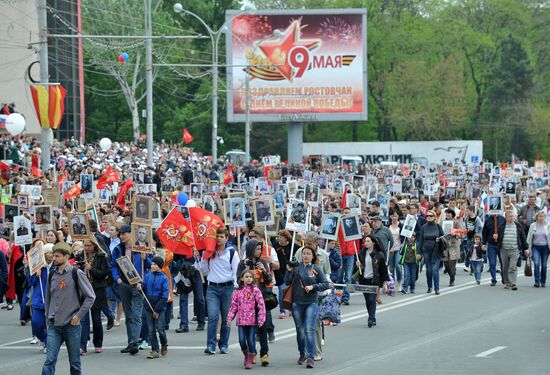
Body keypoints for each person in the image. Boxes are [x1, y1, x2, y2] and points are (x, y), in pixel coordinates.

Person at [42, 242, 96, 375]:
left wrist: (79, 316)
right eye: (53, 256)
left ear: (66, 257)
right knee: (49, 360)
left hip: (71, 325)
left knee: (75, 363)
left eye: (57, 256)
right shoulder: (51, 274)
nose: (53, 259)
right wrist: (48, 315)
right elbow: (49, 297)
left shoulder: (76, 273)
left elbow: (91, 297)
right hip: (54, 324)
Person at [194, 228, 240, 355]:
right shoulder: (209, 252)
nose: (219, 239)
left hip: (228, 288)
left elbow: (236, 271)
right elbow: (202, 268)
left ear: (226, 238)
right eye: (217, 237)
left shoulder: (231, 253)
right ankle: (211, 345)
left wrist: (236, 289)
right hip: (212, 288)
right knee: (213, 316)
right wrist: (198, 257)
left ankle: (224, 344)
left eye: (221, 236)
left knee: (226, 318)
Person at [284, 245, 329, 368]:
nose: (306, 256)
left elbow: (326, 284)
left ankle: (310, 357)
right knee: (300, 331)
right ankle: (302, 353)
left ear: (313, 256)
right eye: (304, 253)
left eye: (309, 253)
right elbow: (287, 282)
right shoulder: (296, 267)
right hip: (296, 303)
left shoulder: (316, 268)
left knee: (309, 330)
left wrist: (313, 287)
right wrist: (288, 270)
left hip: (311, 302)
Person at [111, 225, 152, 355]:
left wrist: (146, 259)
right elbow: (113, 265)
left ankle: (134, 342)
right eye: (120, 235)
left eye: (124, 234)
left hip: (138, 284)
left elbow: (152, 265)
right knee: (128, 315)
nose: (122, 236)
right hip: (124, 283)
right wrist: (117, 278)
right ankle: (131, 342)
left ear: (130, 234)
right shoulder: (118, 249)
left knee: (136, 314)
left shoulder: (141, 247)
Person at [236, 239, 272, 366]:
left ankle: (264, 354)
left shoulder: (262, 262)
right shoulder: (243, 264)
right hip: (247, 303)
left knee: (263, 328)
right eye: (257, 249)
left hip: (261, 300)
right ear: (251, 249)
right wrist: (246, 269)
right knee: (249, 331)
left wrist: (264, 270)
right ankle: (252, 352)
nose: (259, 251)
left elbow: (268, 281)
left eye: (260, 249)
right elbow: (238, 281)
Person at [227, 269, 266, 369]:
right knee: (241, 340)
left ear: (253, 279)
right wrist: (230, 317)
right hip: (241, 321)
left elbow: (261, 305)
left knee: (251, 340)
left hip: (252, 321)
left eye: (250, 277)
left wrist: (261, 319)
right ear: (242, 278)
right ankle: (246, 355)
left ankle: (250, 358)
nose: (248, 279)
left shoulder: (256, 290)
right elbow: (234, 306)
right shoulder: (237, 291)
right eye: (246, 277)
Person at [79, 239, 111, 355]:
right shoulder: (80, 255)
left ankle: (98, 343)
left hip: (97, 290)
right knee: (83, 320)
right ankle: (82, 345)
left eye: (89, 245)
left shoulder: (101, 257)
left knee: (96, 319)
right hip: (83, 290)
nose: (87, 248)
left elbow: (103, 274)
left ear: (95, 246)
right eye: (85, 245)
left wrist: (91, 269)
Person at [137, 256, 169, 359]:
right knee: (151, 330)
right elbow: (144, 288)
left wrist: (157, 310)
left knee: (160, 329)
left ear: (159, 266)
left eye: (155, 264)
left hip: (159, 306)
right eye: (152, 264)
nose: (152, 266)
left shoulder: (164, 278)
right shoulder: (147, 276)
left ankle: (164, 343)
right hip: (148, 306)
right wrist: (140, 287)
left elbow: (164, 296)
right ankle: (154, 350)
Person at [25, 243, 54, 354]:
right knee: (37, 323)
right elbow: (31, 283)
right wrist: (36, 275)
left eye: (53, 253)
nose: (52, 255)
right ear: (45, 254)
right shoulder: (38, 266)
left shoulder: (56, 266)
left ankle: (48, 344)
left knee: (50, 325)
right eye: (50, 253)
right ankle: (42, 338)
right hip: (38, 299)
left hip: (52, 300)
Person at [355, 235, 389, 327]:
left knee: (372, 299)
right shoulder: (362, 253)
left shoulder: (379, 255)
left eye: (368, 241)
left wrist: (385, 283)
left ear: (373, 242)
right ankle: (372, 317)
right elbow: (360, 268)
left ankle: (371, 319)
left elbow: (383, 270)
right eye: (365, 241)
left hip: (374, 281)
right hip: (364, 279)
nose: (365, 243)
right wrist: (358, 265)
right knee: (367, 300)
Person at [499, 211, 528, 290]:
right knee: (505, 267)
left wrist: (526, 248)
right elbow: (498, 238)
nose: (512, 218)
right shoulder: (501, 226)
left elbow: (523, 237)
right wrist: (495, 238)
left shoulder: (518, 226)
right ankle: (507, 283)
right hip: (504, 249)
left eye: (513, 216)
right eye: (510, 216)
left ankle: (513, 283)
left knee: (513, 266)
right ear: (506, 217)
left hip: (514, 249)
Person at [418, 210, 445, 295]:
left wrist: (439, 239)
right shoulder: (424, 227)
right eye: (427, 216)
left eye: (430, 216)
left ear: (434, 217)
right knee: (429, 270)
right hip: (426, 250)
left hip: (436, 250)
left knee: (435, 269)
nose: (428, 217)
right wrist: (419, 252)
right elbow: (421, 240)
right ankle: (430, 287)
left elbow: (443, 237)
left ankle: (437, 288)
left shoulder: (438, 226)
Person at [526, 211, 550, 288]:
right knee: (536, 264)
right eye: (539, 216)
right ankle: (537, 281)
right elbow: (529, 238)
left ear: (544, 217)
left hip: (545, 247)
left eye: (542, 216)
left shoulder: (548, 225)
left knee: (544, 265)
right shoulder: (533, 225)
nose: (541, 218)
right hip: (535, 247)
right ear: (537, 217)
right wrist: (528, 248)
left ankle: (543, 281)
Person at [482, 213, 506, 286]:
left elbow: (505, 230)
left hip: (501, 244)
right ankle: (493, 279)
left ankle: (504, 277)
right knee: (492, 263)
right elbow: (484, 232)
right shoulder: (487, 220)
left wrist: (499, 236)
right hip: (491, 244)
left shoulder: (502, 219)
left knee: (503, 263)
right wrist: (484, 243)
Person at [442, 209, 464, 287]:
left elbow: (462, 235)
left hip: (453, 245)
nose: (447, 215)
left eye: (449, 213)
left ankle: (452, 279)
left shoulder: (456, 222)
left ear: (452, 214)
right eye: (446, 213)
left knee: (452, 264)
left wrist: (455, 233)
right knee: (446, 265)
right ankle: (451, 273)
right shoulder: (443, 222)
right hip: (444, 245)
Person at [388, 210, 404, 292]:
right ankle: (391, 284)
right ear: (390, 216)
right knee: (391, 268)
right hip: (390, 249)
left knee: (398, 265)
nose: (394, 217)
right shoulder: (388, 226)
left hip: (398, 248)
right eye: (392, 216)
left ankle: (400, 282)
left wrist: (402, 244)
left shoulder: (401, 225)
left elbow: (404, 236)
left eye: (395, 216)